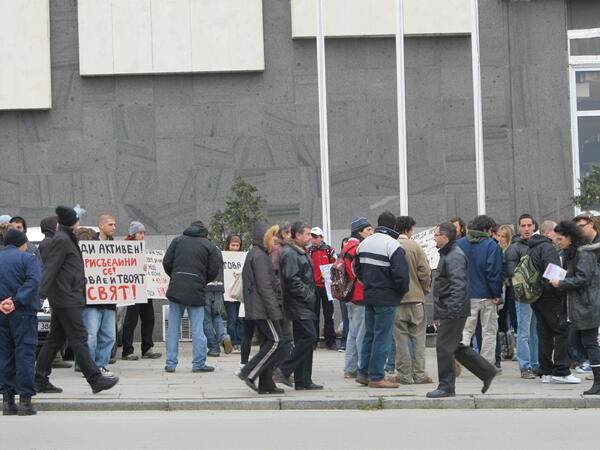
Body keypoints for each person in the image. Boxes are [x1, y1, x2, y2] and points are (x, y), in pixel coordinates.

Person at [35, 205, 119, 394]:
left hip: (67, 296)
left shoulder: (66, 238)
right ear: (74, 222)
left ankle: (39, 379)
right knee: (79, 338)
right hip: (66, 298)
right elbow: (51, 268)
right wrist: (41, 295)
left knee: (54, 340)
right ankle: (95, 379)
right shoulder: (62, 240)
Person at [426, 222, 497, 398]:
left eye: (436, 235)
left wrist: (453, 309)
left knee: (443, 347)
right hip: (451, 308)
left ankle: (446, 386)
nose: (434, 238)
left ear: (445, 237)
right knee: (454, 346)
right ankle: (487, 371)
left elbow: (459, 285)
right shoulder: (449, 253)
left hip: (452, 309)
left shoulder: (454, 256)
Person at [353, 211, 409, 388]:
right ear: (394, 227)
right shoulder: (393, 245)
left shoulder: (364, 243)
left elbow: (357, 270)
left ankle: (364, 373)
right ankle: (377, 376)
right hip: (387, 297)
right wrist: (399, 293)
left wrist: (368, 285)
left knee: (369, 335)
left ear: (377, 223)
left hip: (369, 295)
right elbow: (401, 275)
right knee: (382, 337)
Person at [163, 220, 221, 373]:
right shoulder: (208, 245)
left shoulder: (177, 241)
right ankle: (198, 363)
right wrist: (202, 280)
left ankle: (170, 363)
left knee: (173, 328)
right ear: (204, 230)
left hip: (177, 288)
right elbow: (215, 268)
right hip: (196, 289)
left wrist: (176, 276)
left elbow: (166, 262)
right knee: (197, 328)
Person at [550, 220, 599, 391]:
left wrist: (561, 283)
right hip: (580, 306)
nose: (557, 242)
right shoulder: (572, 253)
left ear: (570, 238)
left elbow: (583, 278)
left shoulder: (583, 253)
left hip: (587, 305)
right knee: (575, 340)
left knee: (589, 342)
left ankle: (598, 381)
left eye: (560, 238)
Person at [274, 222, 322, 390]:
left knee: (305, 340)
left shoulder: (300, 252)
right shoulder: (291, 253)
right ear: (298, 235)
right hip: (298, 304)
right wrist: (308, 296)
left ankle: (303, 380)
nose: (310, 237)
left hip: (304, 304)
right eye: (308, 234)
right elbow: (291, 279)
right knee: (309, 337)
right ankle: (284, 369)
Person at [237, 223, 284, 394]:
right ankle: (248, 372)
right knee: (276, 341)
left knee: (269, 342)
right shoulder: (259, 256)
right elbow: (265, 287)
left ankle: (266, 384)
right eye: (272, 236)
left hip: (260, 307)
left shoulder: (257, 254)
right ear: (264, 238)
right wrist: (274, 311)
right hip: (263, 309)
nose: (275, 240)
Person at [0, 229, 42, 416]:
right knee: (24, 354)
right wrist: (16, 302)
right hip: (23, 312)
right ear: (21, 243)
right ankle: (25, 401)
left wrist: (3, 303)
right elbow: (33, 282)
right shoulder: (28, 258)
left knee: (4, 355)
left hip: (1, 312)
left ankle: (8, 402)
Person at [529, 221, 575, 383]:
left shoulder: (533, 247)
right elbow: (554, 273)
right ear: (549, 232)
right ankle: (561, 370)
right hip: (550, 296)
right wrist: (560, 289)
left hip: (537, 297)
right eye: (556, 232)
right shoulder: (547, 248)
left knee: (544, 333)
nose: (558, 236)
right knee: (561, 330)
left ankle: (546, 371)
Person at [390, 216, 432, 385]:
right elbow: (425, 271)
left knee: (400, 340)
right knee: (418, 339)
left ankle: (404, 375)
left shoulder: (391, 245)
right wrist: (424, 290)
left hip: (397, 301)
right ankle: (420, 374)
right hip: (416, 300)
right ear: (409, 230)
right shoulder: (415, 246)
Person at [456, 215, 503, 367]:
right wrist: (496, 294)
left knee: (466, 329)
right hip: (487, 295)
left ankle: (459, 355)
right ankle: (486, 364)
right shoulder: (491, 245)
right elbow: (493, 272)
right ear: (486, 229)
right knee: (488, 331)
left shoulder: (459, 244)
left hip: (466, 295)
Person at [81, 214, 118, 376]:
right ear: (101, 226)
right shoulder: (89, 246)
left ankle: (101, 365)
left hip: (110, 301)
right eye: (110, 224)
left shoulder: (116, 247)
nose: (114, 227)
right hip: (92, 301)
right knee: (91, 336)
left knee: (109, 336)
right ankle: (89, 367)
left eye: (114, 224)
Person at [121, 221, 161, 361]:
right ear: (133, 234)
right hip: (132, 289)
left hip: (145, 288)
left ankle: (147, 348)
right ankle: (127, 350)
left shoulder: (142, 248)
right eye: (139, 233)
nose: (142, 235)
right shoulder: (124, 248)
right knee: (131, 320)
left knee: (149, 318)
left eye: (143, 233)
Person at [506, 214, 539, 376]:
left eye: (529, 225)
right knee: (524, 332)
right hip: (523, 296)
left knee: (535, 332)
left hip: (538, 295)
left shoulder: (539, 245)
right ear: (519, 228)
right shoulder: (515, 248)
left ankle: (536, 363)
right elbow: (512, 273)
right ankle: (525, 366)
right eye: (523, 226)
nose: (526, 228)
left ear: (534, 226)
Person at [39, 216, 73, 370]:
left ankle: (48, 364)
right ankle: (54, 359)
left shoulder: (51, 241)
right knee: (57, 331)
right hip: (57, 292)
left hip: (57, 292)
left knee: (57, 331)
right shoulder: (49, 243)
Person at [342, 217, 373, 378]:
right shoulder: (357, 248)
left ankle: (350, 368)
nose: (371, 232)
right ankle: (363, 369)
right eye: (368, 230)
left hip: (349, 296)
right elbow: (359, 273)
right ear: (359, 232)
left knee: (353, 333)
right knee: (362, 334)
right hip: (360, 295)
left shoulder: (346, 247)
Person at [307, 227, 337, 350]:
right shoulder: (308, 251)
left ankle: (331, 341)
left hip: (327, 286)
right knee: (314, 314)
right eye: (312, 237)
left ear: (322, 238)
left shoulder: (329, 250)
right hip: (314, 286)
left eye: (316, 237)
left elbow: (336, 265)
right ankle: (313, 340)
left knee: (329, 314)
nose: (313, 240)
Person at [204, 243, 233, 357]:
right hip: (219, 287)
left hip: (206, 287)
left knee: (206, 319)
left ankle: (214, 347)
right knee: (217, 316)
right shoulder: (217, 249)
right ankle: (224, 336)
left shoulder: (202, 248)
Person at [223, 235, 244, 353]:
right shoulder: (224, 256)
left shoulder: (242, 258)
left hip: (239, 293)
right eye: (233, 245)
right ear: (228, 245)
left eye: (237, 245)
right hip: (228, 294)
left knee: (240, 318)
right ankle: (234, 342)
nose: (235, 248)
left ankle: (240, 341)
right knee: (232, 319)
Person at [338, 237, 351, 352]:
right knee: (345, 318)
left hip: (352, 292)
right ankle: (344, 342)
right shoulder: (340, 258)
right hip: (343, 292)